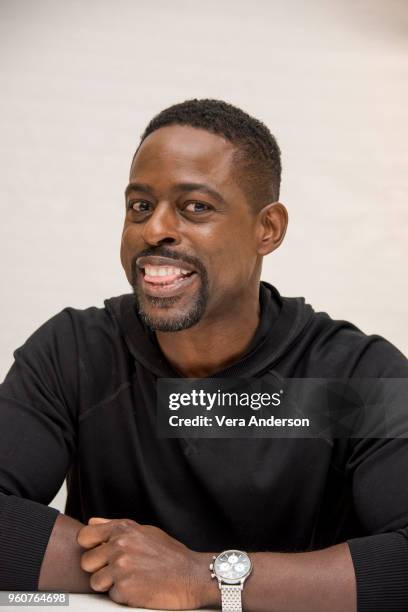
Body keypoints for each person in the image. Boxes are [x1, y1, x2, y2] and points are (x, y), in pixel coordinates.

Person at [0, 99, 407, 612]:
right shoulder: (74, 351)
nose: (153, 231)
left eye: (196, 207)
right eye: (140, 206)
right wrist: (131, 572)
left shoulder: (355, 376)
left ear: (269, 230)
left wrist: (204, 577)